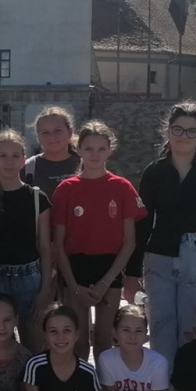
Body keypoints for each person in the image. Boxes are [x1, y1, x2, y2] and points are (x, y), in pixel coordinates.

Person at [133, 101, 196, 356]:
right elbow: (142, 224)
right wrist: (131, 273)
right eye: (178, 129)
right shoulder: (155, 172)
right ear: (168, 130)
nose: (184, 136)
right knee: (160, 327)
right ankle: (164, 381)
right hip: (159, 256)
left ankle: (189, 381)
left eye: (191, 131)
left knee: (195, 327)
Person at [51, 120, 143, 360]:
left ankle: (104, 386)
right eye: (89, 148)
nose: (95, 154)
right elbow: (58, 244)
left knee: (104, 339)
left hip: (109, 268)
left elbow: (130, 242)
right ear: (78, 149)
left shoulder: (122, 187)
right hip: (75, 268)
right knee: (78, 341)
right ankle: (81, 386)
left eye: (101, 148)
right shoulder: (66, 189)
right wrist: (73, 286)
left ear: (110, 150)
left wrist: (106, 282)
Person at [0, 130, 52, 348]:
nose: (9, 162)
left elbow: (45, 247)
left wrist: (45, 290)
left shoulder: (37, 199)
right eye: (3, 155)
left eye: (15, 155)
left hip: (29, 280)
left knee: (34, 347)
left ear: (23, 159)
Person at [24, 105, 81, 200]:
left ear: (70, 133)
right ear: (38, 137)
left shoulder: (85, 165)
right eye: (45, 132)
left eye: (57, 131)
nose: (52, 137)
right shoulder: (28, 168)